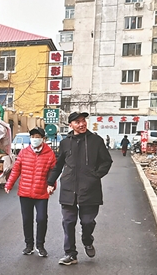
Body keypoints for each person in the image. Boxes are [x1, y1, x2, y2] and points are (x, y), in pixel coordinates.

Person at [47, 112, 113, 266]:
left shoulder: (96, 141)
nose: (82, 124)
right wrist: (50, 182)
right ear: (70, 125)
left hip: (90, 189)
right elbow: (58, 165)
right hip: (68, 189)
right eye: (77, 122)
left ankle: (87, 240)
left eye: (83, 121)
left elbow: (106, 161)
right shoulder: (65, 143)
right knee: (68, 222)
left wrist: (95, 176)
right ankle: (70, 254)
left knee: (87, 221)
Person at [5, 127, 57, 257]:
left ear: (43, 139)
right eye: (32, 137)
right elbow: (16, 170)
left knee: (42, 219)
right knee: (27, 219)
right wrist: (9, 184)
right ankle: (29, 245)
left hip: (41, 192)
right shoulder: (24, 152)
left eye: (37, 137)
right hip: (25, 192)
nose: (34, 139)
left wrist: (52, 185)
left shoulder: (49, 154)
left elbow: (53, 172)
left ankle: (40, 245)